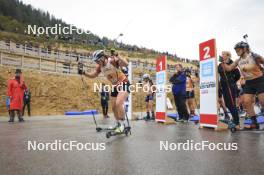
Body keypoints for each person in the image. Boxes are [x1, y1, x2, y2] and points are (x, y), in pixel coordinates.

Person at [84, 50, 130, 133]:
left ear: (102, 57)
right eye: (95, 61)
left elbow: (126, 64)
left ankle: (123, 125)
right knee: (113, 106)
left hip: (124, 82)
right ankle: (118, 123)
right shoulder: (99, 67)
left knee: (119, 103)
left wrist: (118, 55)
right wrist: (84, 73)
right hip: (115, 86)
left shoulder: (111, 61)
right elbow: (93, 75)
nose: (97, 62)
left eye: (97, 60)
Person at [222, 41, 264, 129]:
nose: (236, 51)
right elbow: (229, 68)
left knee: (262, 101)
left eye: (238, 49)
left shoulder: (253, 56)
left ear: (244, 49)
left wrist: (259, 61)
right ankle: (254, 122)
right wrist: (223, 62)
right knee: (246, 102)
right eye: (236, 50)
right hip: (249, 82)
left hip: (259, 80)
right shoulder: (238, 60)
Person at [218, 51, 241, 126]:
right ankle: (234, 119)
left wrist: (231, 81)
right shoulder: (220, 64)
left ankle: (236, 121)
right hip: (223, 86)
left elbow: (238, 75)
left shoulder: (232, 63)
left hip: (230, 85)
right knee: (227, 104)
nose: (222, 56)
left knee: (231, 103)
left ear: (228, 56)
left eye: (223, 54)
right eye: (222, 54)